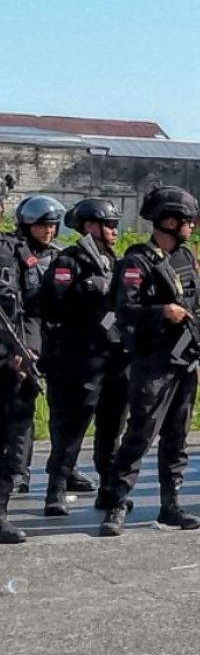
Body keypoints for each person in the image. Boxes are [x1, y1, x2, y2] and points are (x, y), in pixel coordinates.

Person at [98, 186, 200, 537]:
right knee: (141, 432)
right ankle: (116, 502)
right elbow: (123, 311)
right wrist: (161, 312)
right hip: (153, 361)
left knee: (177, 437)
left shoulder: (186, 260)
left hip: (185, 362)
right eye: (186, 221)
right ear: (168, 221)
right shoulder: (136, 262)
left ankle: (171, 505)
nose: (191, 227)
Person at [40, 198, 128, 518]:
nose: (114, 231)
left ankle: (109, 489)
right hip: (80, 359)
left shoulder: (113, 261)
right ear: (89, 226)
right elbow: (51, 306)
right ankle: (56, 490)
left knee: (111, 428)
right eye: (109, 225)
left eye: (116, 225)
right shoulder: (70, 261)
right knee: (72, 427)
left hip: (114, 359)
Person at [8, 195, 65, 493]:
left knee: (63, 411)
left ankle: (64, 468)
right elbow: (18, 308)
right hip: (22, 342)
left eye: (53, 226)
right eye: (43, 226)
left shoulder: (58, 258)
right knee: (20, 408)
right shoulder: (13, 255)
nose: (49, 232)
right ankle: (18, 470)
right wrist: (21, 349)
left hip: (54, 343)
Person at [0, 223, 40, 542]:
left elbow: (33, 308)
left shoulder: (15, 251)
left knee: (17, 444)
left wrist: (27, 350)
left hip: (13, 365)